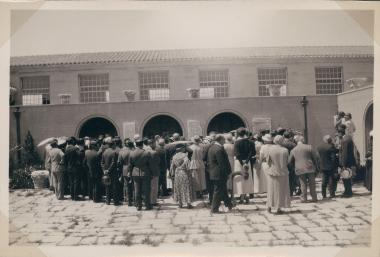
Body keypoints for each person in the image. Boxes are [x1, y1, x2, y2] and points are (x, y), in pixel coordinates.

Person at [265, 135, 291, 214]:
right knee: (281, 190)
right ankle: (278, 207)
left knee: (271, 190)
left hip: (272, 171)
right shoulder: (285, 150)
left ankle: (269, 206)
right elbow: (288, 162)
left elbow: (268, 161)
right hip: (283, 172)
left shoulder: (269, 149)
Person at [207, 134, 233, 213]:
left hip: (214, 172)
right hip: (219, 173)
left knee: (223, 190)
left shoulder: (212, 147)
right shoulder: (219, 149)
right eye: (223, 140)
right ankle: (214, 209)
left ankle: (229, 204)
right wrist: (227, 173)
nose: (225, 141)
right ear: (220, 140)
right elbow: (222, 163)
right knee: (218, 191)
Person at [289, 135, 318, 203]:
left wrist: (294, 166)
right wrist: (315, 166)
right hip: (310, 167)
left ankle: (304, 198)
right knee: (312, 183)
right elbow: (315, 157)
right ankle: (314, 197)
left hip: (299, 168)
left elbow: (290, 161)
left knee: (303, 184)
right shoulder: (309, 147)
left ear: (296, 141)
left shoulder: (294, 149)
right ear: (303, 140)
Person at [128, 139, 153, 211]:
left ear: (136, 144)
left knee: (137, 190)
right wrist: (151, 172)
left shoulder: (132, 153)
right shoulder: (146, 153)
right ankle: (147, 205)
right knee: (146, 190)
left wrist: (130, 173)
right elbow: (150, 164)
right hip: (145, 172)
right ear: (142, 145)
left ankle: (138, 206)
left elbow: (130, 165)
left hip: (135, 172)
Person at [233, 127, 256, 204]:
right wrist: (246, 161)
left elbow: (237, 154)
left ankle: (242, 197)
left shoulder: (236, 142)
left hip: (239, 163)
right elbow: (252, 153)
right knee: (247, 178)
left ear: (238, 134)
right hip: (247, 161)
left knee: (240, 179)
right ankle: (245, 195)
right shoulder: (250, 142)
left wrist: (242, 163)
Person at [170, 144, 194, 209]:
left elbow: (172, 166)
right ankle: (188, 204)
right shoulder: (184, 156)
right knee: (186, 187)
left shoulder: (174, 156)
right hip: (184, 172)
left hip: (177, 173)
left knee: (178, 187)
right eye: (184, 148)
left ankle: (180, 204)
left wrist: (172, 173)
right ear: (182, 149)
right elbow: (188, 165)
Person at [101, 137, 121, 205]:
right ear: (113, 145)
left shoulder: (104, 152)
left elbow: (102, 162)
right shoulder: (114, 152)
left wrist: (104, 170)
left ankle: (108, 201)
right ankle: (115, 201)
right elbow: (113, 163)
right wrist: (109, 170)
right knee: (114, 187)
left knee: (107, 186)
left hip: (106, 172)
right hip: (113, 172)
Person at [338, 128, 356, 197]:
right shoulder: (348, 138)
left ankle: (347, 192)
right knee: (348, 177)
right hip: (350, 161)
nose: (338, 135)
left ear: (340, 133)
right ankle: (348, 191)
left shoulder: (344, 140)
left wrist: (343, 164)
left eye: (338, 133)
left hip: (346, 162)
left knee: (346, 177)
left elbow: (344, 153)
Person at [118, 138, 134, 205]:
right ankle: (134, 199)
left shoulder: (121, 151)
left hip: (124, 169)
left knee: (126, 185)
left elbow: (119, 162)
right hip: (133, 169)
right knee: (133, 186)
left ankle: (128, 200)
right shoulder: (133, 151)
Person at [148, 140, 161, 206]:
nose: (155, 145)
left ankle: (149, 200)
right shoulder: (154, 152)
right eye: (154, 144)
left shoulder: (145, 151)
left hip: (148, 171)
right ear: (151, 144)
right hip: (154, 171)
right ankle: (153, 201)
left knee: (149, 187)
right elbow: (158, 161)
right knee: (154, 187)